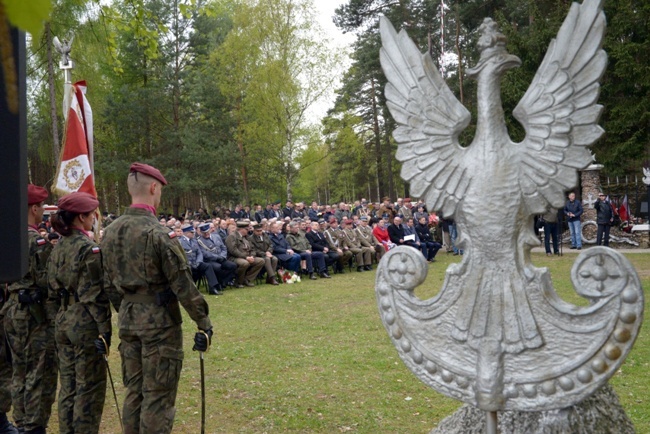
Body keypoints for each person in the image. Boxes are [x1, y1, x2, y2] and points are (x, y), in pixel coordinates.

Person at [101, 163, 213, 434]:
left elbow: (107, 282)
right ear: (153, 188)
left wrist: (127, 305)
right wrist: (204, 321)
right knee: (158, 396)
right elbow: (183, 285)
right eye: (160, 190)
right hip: (160, 325)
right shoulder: (158, 234)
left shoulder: (111, 232)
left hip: (128, 321)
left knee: (135, 392)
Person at [47, 192, 112, 434]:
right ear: (82, 217)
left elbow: (50, 288)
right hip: (84, 322)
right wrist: (105, 330)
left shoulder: (59, 246)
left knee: (69, 385)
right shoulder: (89, 249)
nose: (95, 218)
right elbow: (94, 295)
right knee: (89, 388)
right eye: (92, 214)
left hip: (63, 319)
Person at [1, 184, 58, 434]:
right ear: (34, 209)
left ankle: (20, 420)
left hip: (11, 309)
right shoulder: (36, 242)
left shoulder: (8, 239)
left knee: (19, 370)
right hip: (34, 314)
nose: (44, 211)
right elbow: (49, 282)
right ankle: (32, 427)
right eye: (42, 207)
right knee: (39, 371)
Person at [179, 225, 222, 295]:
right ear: (186, 233)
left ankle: (212, 288)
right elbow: (181, 255)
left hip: (197, 263)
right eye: (192, 232)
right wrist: (189, 263)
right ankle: (192, 291)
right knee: (191, 271)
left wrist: (198, 262)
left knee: (207, 266)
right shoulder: (180, 242)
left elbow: (199, 253)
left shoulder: (194, 241)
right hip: (187, 264)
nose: (193, 234)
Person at [196, 223, 238, 290]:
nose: (206, 234)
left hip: (221, 258)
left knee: (232, 265)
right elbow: (205, 253)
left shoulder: (216, 236)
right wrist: (217, 257)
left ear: (210, 230)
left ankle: (224, 282)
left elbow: (223, 247)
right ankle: (219, 284)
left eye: (207, 232)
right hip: (210, 260)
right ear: (201, 232)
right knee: (218, 267)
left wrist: (222, 256)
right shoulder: (199, 241)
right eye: (204, 233)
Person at [225, 220, 265, 287]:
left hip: (247, 257)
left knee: (261, 261)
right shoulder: (232, 237)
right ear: (240, 229)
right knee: (244, 263)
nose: (248, 231)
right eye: (246, 229)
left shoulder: (247, 237)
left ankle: (247, 279)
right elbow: (233, 251)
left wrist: (252, 256)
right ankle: (238, 281)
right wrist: (246, 257)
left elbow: (252, 249)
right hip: (234, 257)